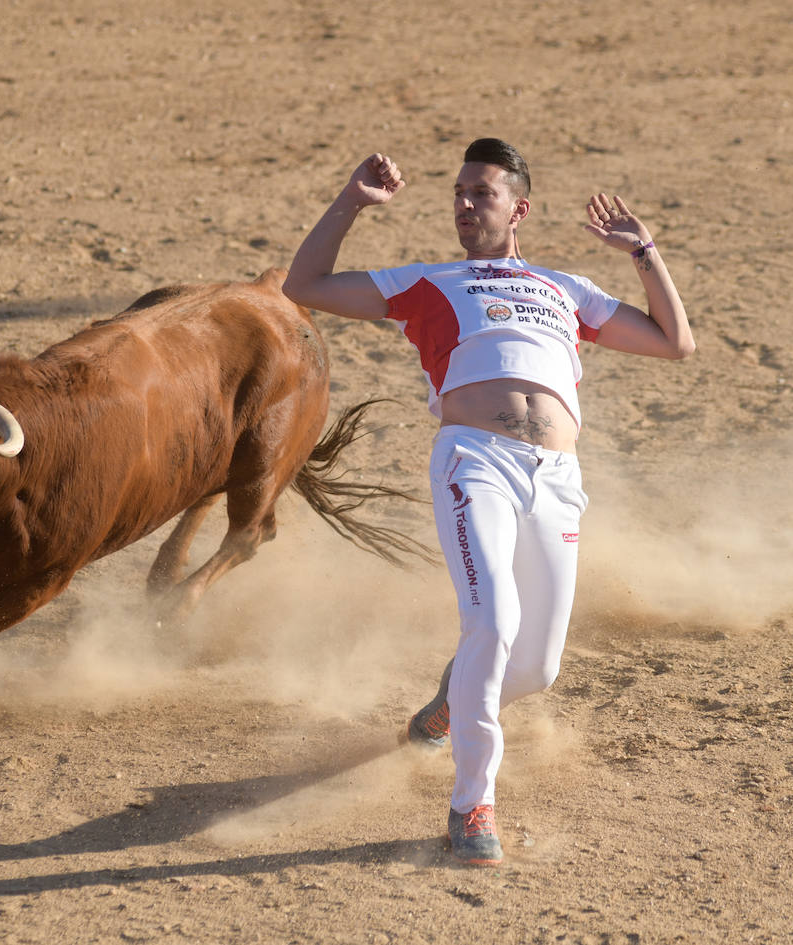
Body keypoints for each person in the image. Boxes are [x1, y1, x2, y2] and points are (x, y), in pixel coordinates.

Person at [282, 138, 694, 866]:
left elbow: (675, 342)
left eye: (483, 193)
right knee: (494, 622)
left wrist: (644, 250)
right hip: (476, 461)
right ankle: (472, 803)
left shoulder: (566, 288)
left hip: (558, 476)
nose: (465, 205)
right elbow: (305, 284)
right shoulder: (429, 281)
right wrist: (353, 200)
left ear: (519, 209)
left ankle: (449, 703)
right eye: (459, 193)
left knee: (535, 669)